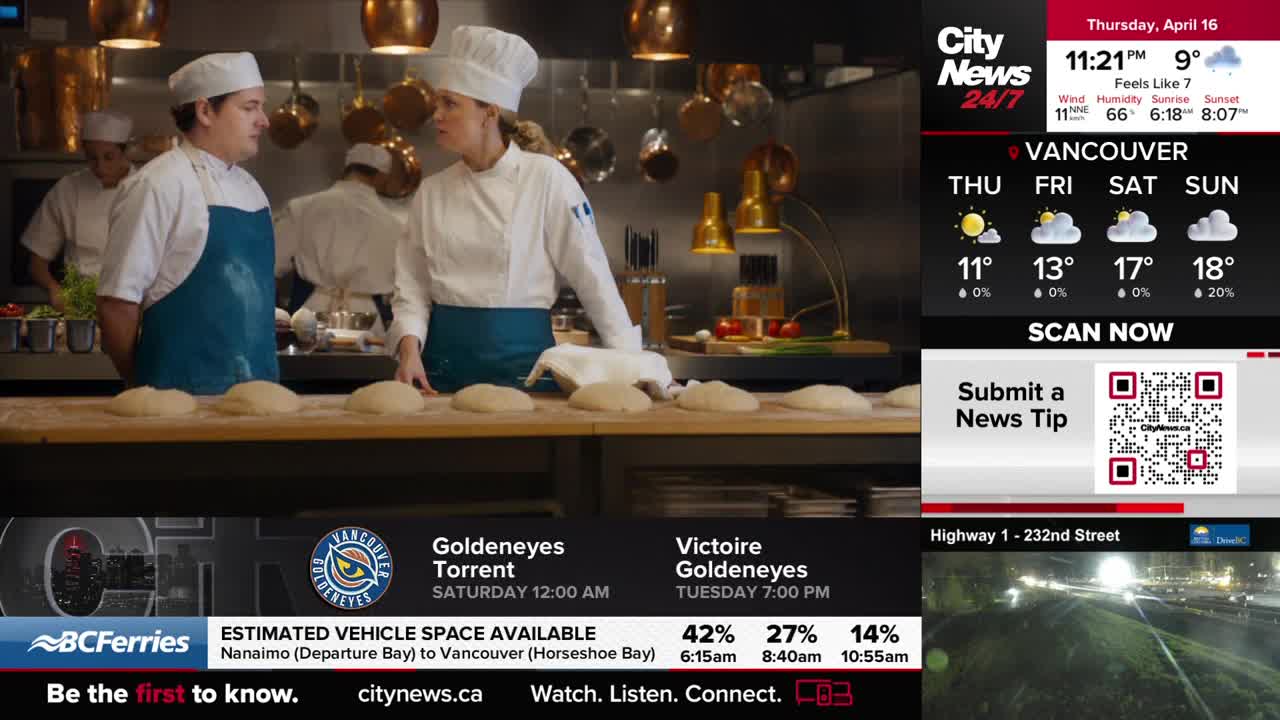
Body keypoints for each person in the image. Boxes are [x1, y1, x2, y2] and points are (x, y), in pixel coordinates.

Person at [390, 25, 639, 394]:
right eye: (438, 102)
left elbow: (594, 279)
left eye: (450, 103)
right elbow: (411, 288)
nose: (436, 115)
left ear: (489, 113)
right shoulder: (432, 191)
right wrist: (408, 351)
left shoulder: (547, 180)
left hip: (527, 376)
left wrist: (634, 371)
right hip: (439, 376)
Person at [96, 52, 277, 395]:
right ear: (205, 110)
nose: (264, 121)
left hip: (258, 398)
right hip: (178, 404)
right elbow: (117, 305)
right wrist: (140, 382)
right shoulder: (158, 185)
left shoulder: (253, 190)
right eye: (250, 107)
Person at [273, 142, 404, 331]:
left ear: (347, 168)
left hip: (310, 317)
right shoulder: (394, 225)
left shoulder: (302, 208)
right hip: (367, 322)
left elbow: (270, 264)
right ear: (381, 176)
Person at [21, 110, 135, 309]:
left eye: (108, 157)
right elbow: (37, 262)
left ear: (125, 152)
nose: (100, 167)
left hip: (131, 305)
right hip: (78, 304)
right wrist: (53, 288)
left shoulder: (146, 188)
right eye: (92, 158)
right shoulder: (67, 189)